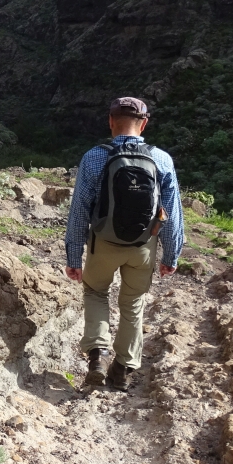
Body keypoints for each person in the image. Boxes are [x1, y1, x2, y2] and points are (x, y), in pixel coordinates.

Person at [64, 97, 184, 392]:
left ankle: (98, 354)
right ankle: (122, 369)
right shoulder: (162, 160)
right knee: (132, 302)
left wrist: (74, 256)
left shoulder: (94, 157)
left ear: (110, 121)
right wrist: (172, 253)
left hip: (103, 242)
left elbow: (80, 209)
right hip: (143, 246)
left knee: (94, 291)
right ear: (144, 123)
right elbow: (171, 212)